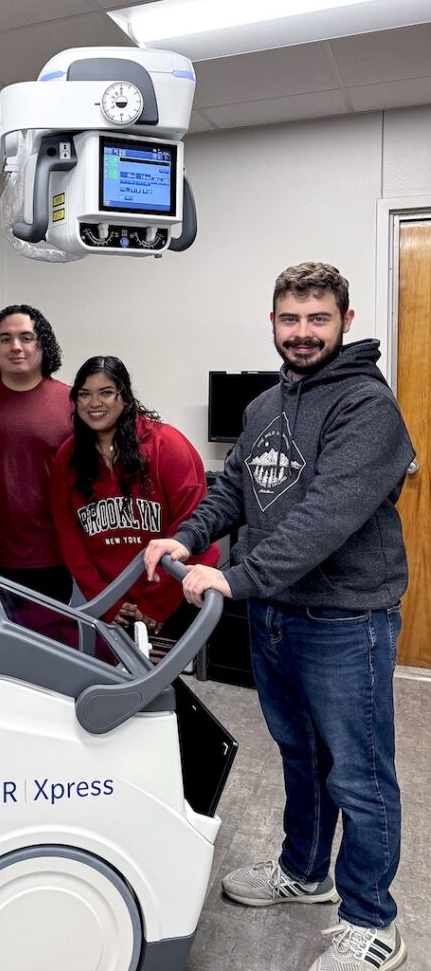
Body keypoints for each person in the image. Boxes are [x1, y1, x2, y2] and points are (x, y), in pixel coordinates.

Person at [145, 262, 414, 971]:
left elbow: (324, 517)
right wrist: (187, 535)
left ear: (345, 322)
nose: (301, 333)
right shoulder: (266, 407)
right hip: (276, 616)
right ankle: (304, 872)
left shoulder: (365, 407)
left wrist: (233, 579)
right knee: (301, 757)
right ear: (272, 322)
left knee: (358, 773)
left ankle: (372, 921)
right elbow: (233, 485)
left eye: (316, 318)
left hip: (342, 620)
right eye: (289, 319)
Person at [51, 356, 219, 633]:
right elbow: (69, 537)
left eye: (106, 392)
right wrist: (104, 601)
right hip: (111, 602)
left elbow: (192, 525)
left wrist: (157, 604)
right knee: (112, 672)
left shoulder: (167, 445)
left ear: (125, 397)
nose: (94, 403)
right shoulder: (67, 458)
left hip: (173, 594)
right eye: (84, 394)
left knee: (157, 674)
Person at [0, 304, 73, 603]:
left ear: (43, 344)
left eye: (26, 337)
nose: (16, 346)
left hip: (51, 560)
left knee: (45, 648)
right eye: (5, 338)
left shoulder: (71, 402)